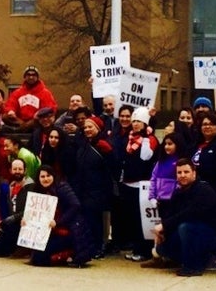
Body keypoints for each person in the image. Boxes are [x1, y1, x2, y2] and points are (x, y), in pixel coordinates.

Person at [151, 159, 216, 276]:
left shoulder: (203, 189)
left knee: (185, 227)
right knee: (162, 248)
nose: (182, 175)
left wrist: (164, 225)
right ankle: (198, 260)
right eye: (179, 173)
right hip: (191, 233)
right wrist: (163, 232)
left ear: (194, 173)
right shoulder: (178, 193)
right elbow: (172, 214)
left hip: (212, 236)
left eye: (186, 172)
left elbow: (190, 213)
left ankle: (194, 267)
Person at [27, 165, 92, 268]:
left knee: (41, 259)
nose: (46, 179)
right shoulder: (39, 191)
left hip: (68, 231)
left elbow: (76, 205)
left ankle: (69, 254)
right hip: (51, 231)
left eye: (48, 175)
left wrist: (58, 222)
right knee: (36, 258)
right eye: (42, 177)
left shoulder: (62, 187)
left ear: (53, 176)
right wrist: (26, 220)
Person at [70, 115, 116, 259]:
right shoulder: (83, 144)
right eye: (85, 128)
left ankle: (99, 246)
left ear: (98, 128)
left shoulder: (103, 145)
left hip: (99, 189)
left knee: (96, 220)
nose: (87, 130)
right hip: (84, 188)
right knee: (87, 219)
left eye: (91, 127)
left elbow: (111, 167)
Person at [118, 107, 158, 262]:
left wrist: (147, 138)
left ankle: (144, 250)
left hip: (142, 184)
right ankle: (136, 247)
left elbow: (145, 157)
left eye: (138, 121)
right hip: (128, 183)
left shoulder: (150, 139)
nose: (135, 124)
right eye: (133, 121)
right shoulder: (130, 138)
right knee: (132, 220)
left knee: (141, 220)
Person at [0, 158, 35, 257]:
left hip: (24, 223)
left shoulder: (31, 186)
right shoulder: (11, 186)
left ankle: (22, 248)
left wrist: (13, 218)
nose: (17, 171)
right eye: (15, 169)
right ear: (10, 170)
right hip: (12, 223)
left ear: (25, 170)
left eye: (20, 169)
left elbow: (31, 209)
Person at [3, 65, 58, 131]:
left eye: (34, 75)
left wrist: (39, 113)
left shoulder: (45, 93)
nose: (31, 77)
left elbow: (50, 108)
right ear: (25, 77)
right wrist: (11, 111)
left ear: (37, 77)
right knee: (5, 117)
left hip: (36, 121)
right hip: (20, 121)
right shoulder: (17, 92)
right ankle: (22, 128)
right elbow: (10, 104)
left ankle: (20, 129)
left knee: (42, 119)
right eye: (28, 75)